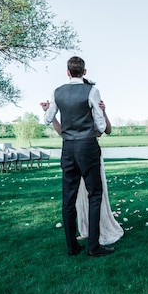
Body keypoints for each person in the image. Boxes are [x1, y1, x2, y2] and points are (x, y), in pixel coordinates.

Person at [42, 56, 114, 257]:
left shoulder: (57, 92)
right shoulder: (92, 91)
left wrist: (47, 110)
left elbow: (48, 119)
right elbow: (101, 126)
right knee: (95, 195)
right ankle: (93, 246)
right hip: (87, 147)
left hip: (68, 149)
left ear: (67, 72)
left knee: (68, 198)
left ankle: (71, 246)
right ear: (84, 72)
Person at [41, 99, 124, 246]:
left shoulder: (93, 112)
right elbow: (61, 131)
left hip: (92, 157)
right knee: (80, 196)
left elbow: (108, 130)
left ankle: (99, 231)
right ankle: (86, 230)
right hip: (75, 158)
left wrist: (103, 111)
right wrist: (50, 114)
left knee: (95, 195)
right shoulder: (71, 116)